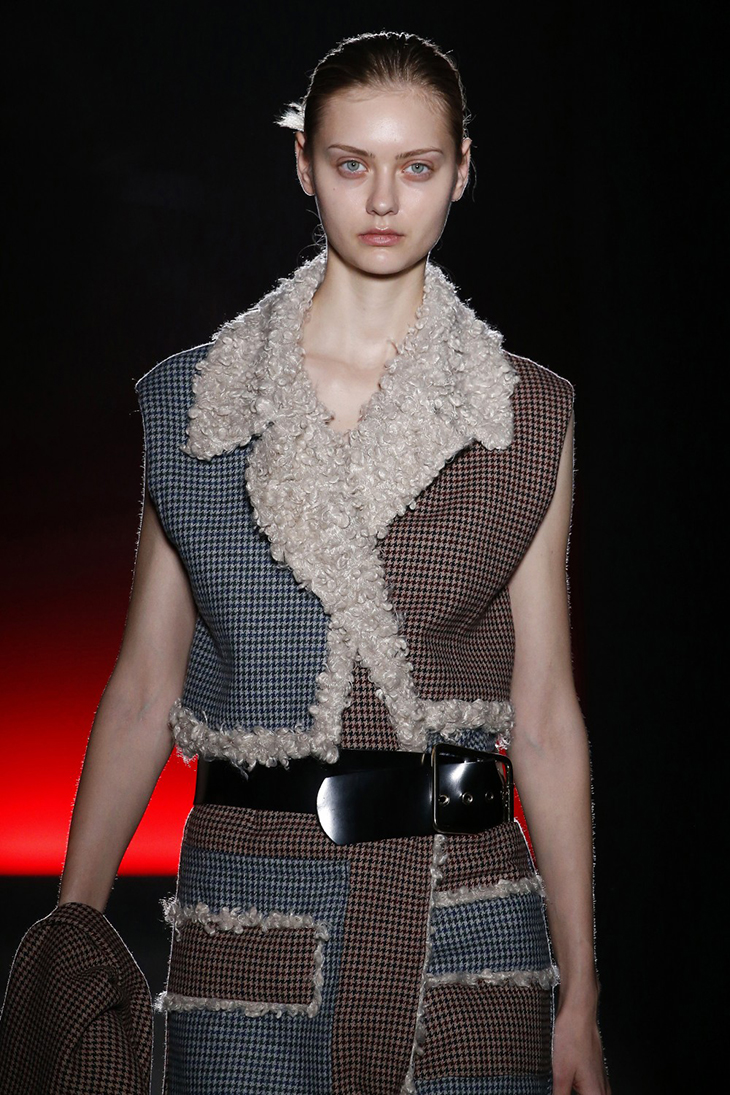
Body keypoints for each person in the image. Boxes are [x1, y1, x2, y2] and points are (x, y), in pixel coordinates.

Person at [55, 31, 609, 1095]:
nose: (384, 201)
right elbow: (143, 691)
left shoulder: (525, 414)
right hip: (246, 918)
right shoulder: (196, 405)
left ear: (462, 170)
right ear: (304, 165)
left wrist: (581, 992)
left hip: (465, 924)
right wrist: (68, 933)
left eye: (418, 166)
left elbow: (543, 710)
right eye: (353, 164)